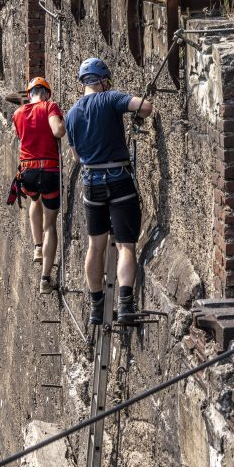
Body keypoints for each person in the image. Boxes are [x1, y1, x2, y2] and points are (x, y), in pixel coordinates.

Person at [64, 58, 154, 325]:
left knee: (96, 245)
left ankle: (96, 307)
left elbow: (76, 157)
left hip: (91, 182)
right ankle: (125, 305)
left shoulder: (71, 115)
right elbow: (145, 107)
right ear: (103, 79)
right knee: (126, 244)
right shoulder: (110, 98)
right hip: (118, 178)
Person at [12, 77, 65, 294]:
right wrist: (63, 121)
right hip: (49, 170)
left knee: (35, 199)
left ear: (30, 93)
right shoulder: (49, 106)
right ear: (45, 93)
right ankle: (45, 278)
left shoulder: (17, 114)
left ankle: (37, 247)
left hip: (28, 172)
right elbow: (58, 131)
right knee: (50, 225)